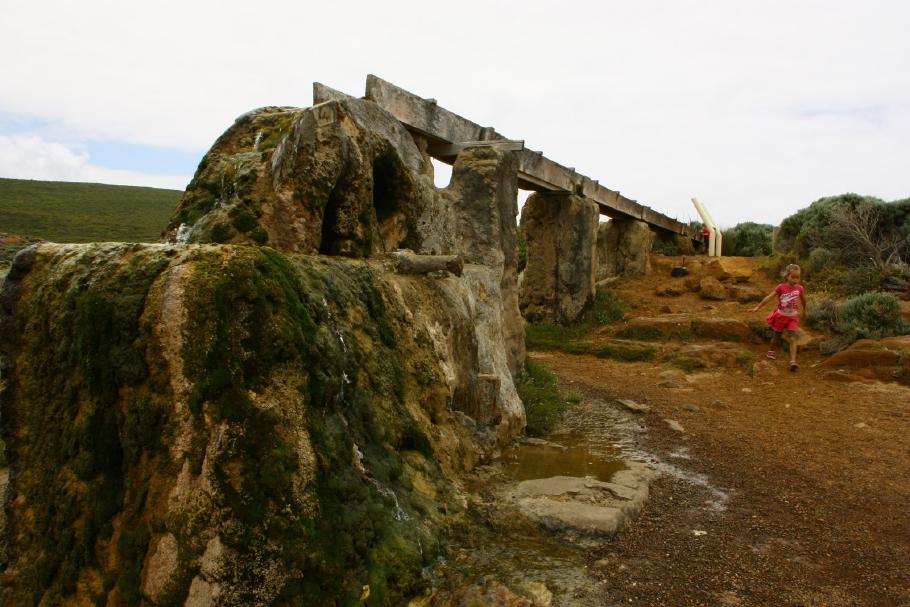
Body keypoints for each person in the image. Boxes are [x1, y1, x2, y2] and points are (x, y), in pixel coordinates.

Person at [750, 264, 807, 371]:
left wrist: (805, 310)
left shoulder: (800, 288)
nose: (795, 280)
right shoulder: (781, 287)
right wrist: (757, 307)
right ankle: (771, 350)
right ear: (787, 276)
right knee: (776, 336)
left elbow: (803, 300)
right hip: (781, 316)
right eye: (793, 277)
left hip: (792, 317)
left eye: (797, 278)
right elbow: (769, 297)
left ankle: (793, 361)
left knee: (793, 338)